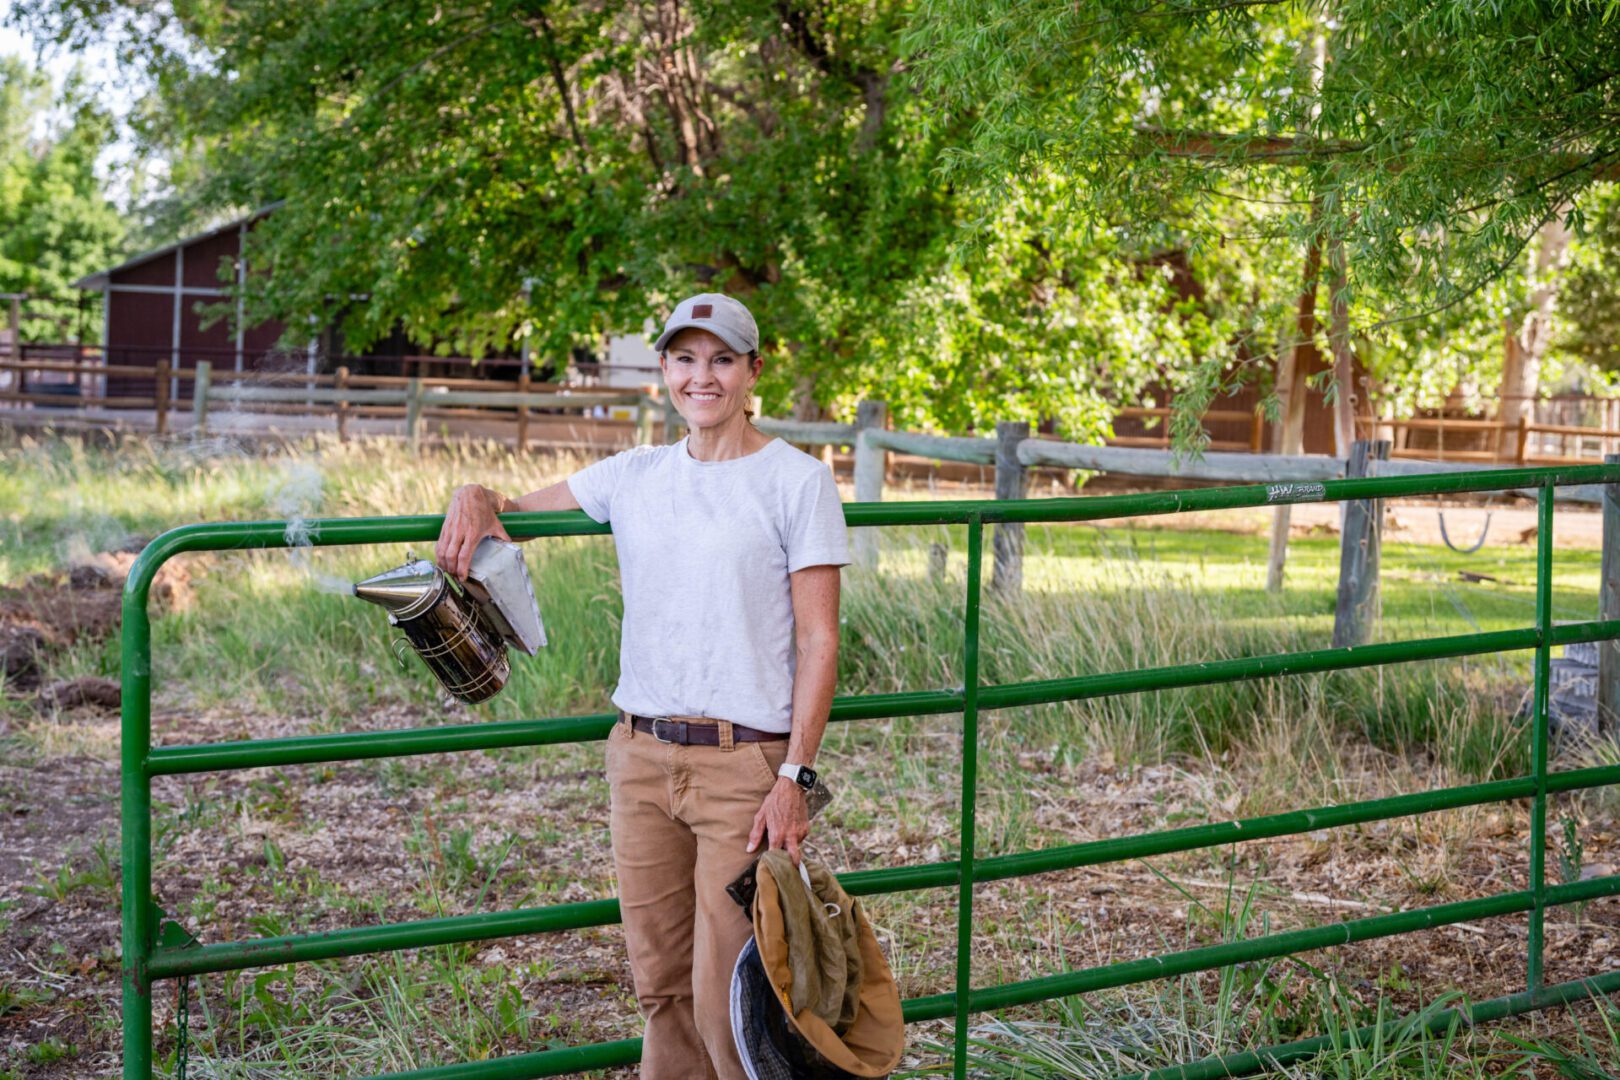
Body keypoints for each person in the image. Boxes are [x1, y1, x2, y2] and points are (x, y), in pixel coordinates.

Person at [434, 292, 849, 1079]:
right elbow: (511, 509)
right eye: (686, 359)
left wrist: (795, 776)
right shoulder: (634, 475)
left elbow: (819, 637)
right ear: (663, 370)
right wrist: (473, 494)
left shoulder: (797, 482)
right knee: (659, 990)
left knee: (731, 998)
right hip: (641, 757)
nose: (703, 377)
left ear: (753, 371)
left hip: (743, 767)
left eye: (722, 359)